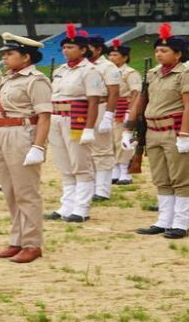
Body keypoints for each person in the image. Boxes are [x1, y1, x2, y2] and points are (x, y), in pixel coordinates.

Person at [0, 32, 52, 264]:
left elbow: (44, 116)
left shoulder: (36, 80)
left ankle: (32, 243)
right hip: (1, 131)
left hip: (22, 133)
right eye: (4, 54)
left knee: (26, 191)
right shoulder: (8, 78)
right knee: (10, 191)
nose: (5, 57)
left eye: (10, 53)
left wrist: (38, 146)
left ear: (26, 57)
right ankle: (17, 240)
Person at [133, 24, 189, 239]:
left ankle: (181, 223)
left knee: (181, 178)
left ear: (178, 54)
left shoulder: (186, 74)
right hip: (153, 131)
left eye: (164, 51)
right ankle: (164, 220)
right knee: (161, 178)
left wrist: (184, 134)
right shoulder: (152, 74)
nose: (159, 54)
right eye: (157, 51)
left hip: (173, 130)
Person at [46, 24, 104, 222]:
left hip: (76, 118)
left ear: (83, 50)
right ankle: (67, 205)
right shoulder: (61, 70)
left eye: (70, 47)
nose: (65, 51)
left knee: (80, 163)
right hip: (56, 117)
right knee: (64, 164)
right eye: (64, 47)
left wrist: (89, 127)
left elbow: (93, 101)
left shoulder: (89, 70)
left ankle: (81, 207)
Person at [86, 35, 123, 200]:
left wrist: (108, 115)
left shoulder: (107, 67)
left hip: (101, 106)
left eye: (88, 47)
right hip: (82, 108)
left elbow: (114, 93)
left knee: (102, 149)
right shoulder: (83, 65)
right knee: (85, 150)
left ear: (99, 49)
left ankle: (102, 189)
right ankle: (89, 186)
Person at [109, 38, 143, 185]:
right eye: (110, 55)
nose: (111, 58)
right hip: (111, 109)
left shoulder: (129, 73)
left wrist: (131, 112)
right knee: (111, 141)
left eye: (115, 55)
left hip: (124, 108)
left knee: (123, 140)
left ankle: (125, 172)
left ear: (124, 57)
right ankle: (115, 169)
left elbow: (136, 92)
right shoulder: (108, 71)